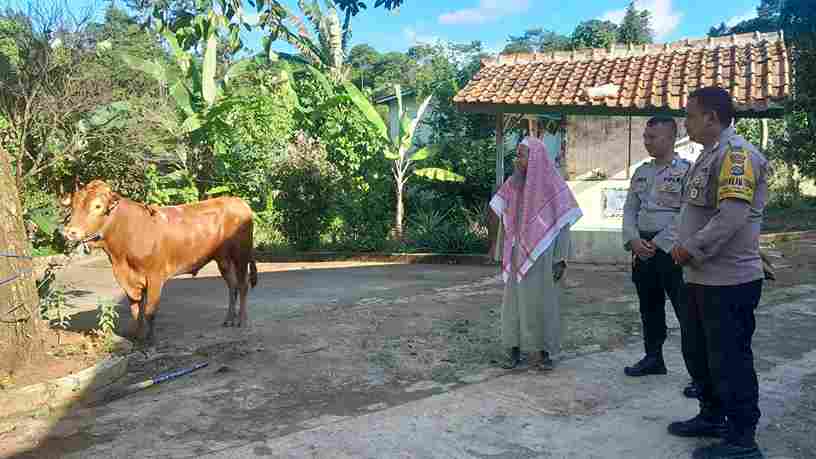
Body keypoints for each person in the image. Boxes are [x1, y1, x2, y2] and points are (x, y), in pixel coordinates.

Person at [668, 86, 768, 459]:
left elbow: (731, 216)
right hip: (700, 278)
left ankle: (743, 440)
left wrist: (689, 248)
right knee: (699, 353)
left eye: (691, 115)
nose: (686, 122)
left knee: (730, 359)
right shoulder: (707, 156)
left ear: (711, 117)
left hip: (728, 281)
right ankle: (712, 416)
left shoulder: (737, 155)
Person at [621, 117, 702, 397]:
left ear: (669, 138)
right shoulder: (641, 172)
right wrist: (633, 240)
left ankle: (699, 376)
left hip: (672, 250)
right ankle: (653, 358)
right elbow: (630, 209)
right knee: (649, 306)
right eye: (645, 135)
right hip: (642, 247)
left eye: (652, 136)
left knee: (686, 312)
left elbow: (688, 213)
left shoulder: (686, 171)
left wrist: (658, 243)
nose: (646, 140)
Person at [487, 136, 582, 371]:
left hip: (544, 255)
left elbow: (563, 225)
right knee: (513, 305)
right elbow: (503, 216)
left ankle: (544, 353)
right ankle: (513, 350)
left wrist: (561, 259)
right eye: (517, 154)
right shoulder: (513, 184)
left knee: (543, 304)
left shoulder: (553, 184)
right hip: (516, 253)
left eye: (521, 155)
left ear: (536, 158)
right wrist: (500, 250)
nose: (516, 159)